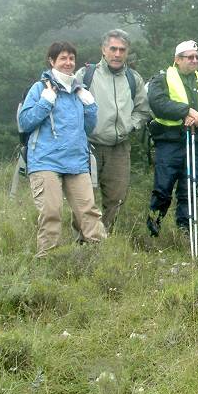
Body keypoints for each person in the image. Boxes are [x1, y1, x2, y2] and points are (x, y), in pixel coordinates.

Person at [18, 41, 107, 257]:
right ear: (52, 61)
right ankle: (47, 262)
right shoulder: (40, 88)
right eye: (63, 58)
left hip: (76, 161)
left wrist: (90, 107)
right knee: (51, 212)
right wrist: (45, 102)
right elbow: (25, 121)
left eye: (71, 58)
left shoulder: (79, 91)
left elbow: (87, 128)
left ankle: (101, 259)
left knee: (88, 213)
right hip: (45, 160)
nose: (68, 63)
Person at [74, 29, 151, 231]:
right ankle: (82, 242)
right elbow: (71, 107)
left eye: (122, 50)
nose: (117, 54)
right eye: (113, 49)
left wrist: (130, 126)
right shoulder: (85, 75)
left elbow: (143, 110)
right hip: (88, 146)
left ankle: (105, 238)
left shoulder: (134, 79)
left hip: (119, 147)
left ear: (127, 52)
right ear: (103, 50)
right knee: (84, 197)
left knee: (116, 198)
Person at [145, 40, 198, 236]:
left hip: (196, 142)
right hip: (169, 141)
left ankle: (184, 231)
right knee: (163, 187)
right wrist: (185, 111)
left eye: (197, 57)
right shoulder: (161, 79)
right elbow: (157, 102)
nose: (194, 60)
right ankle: (153, 228)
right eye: (189, 57)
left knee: (189, 188)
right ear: (177, 60)